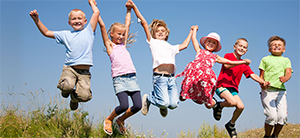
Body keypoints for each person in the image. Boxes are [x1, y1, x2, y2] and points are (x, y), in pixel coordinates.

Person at [29, 0, 100, 110]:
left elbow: (96, 14)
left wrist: (92, 3)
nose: (76, 21)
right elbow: (47, 32)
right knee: (65, 86)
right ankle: (66, 90)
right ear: (69, 22)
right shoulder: (65, 35)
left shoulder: (89, 31)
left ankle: (74, 99)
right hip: (70, 69)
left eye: (79, 18)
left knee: (85, 96)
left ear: (85, 21)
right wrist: (36, 20)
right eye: (73, 19)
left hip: (84, 73)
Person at [127, 0, 193, 118]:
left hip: (171, 79)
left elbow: (185, 45)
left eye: (163, 31)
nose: (160, 33)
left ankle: (162, 104)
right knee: (164, 102)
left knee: (173, 105)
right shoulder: (152, 42)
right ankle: (149, 98)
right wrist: (134, 7)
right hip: (159, 78)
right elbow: (144, 22)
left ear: (167, 33)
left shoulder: (171, 47)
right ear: (154, 34)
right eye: (157, 31)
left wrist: (192, 32)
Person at [176, 26, 251, 110]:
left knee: (209, 105)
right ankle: (193, 95)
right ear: (205, 42)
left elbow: (229, 62)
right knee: (182, 98)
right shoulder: (199, 50)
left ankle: (211, 101)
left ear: (216, 47)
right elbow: (193, 38)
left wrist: (243, 62)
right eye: (209, 41)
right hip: (194, 77)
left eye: (214, 43)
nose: (211, 43)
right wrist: (194, 30)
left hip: (204, 80)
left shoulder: (215, 57)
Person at [97, 0, 142, 135]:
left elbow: (127, 24)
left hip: (132, 78)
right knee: (124, 105)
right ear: (112, 33)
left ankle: (120, 120)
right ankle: (109, 119)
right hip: (119, 79)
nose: (121, 37)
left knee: (138, 106)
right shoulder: (110, 47)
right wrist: (95, 9)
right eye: (118, 34)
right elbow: (102, 26)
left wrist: (129, 10)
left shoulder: (123, 46)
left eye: (123, 35)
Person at [212, 38, 270, 138]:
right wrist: (242, 62)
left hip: (233, 89)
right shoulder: (229, 56)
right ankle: (219, 105)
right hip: (222, 85)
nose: (242, 48)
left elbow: (252, 75)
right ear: (235, 47)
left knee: (240, 107)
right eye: (240, 46)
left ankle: (231, 124)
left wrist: (263, 82)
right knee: (232, 102)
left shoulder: (244, 64)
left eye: (244, 47)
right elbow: (226, 65)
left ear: (246, 51)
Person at [259, 36, 292, 138]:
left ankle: (275, 135)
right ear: (269, 49)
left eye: (279, 45)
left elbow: (288, 72)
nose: (277, 46)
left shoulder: (286, 60)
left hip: (281, 91)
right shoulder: (265, 59)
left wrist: (285, 78)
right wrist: (263, 84)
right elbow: (261, 76)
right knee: (271, 116)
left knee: (282, 116)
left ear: (284, 49)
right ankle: (267, 135)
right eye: (274, 45)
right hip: (268, 91)